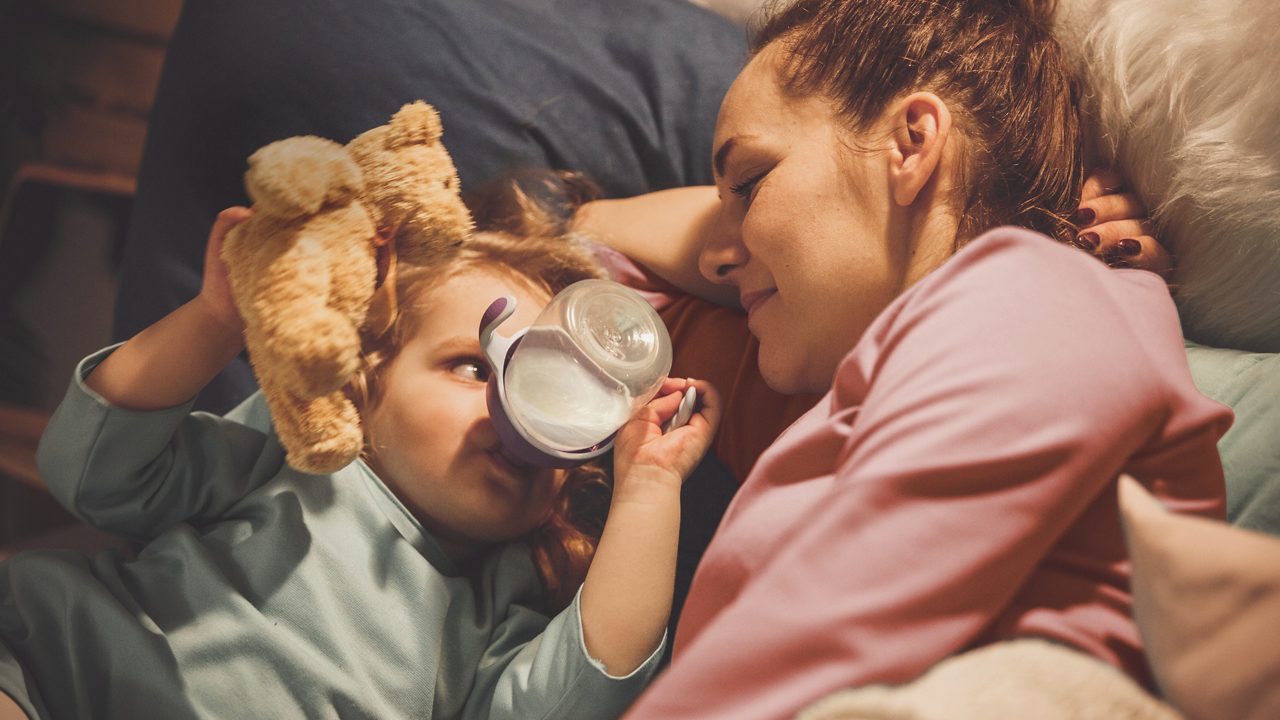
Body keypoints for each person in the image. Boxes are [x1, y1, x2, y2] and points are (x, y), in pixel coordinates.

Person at [573, 0, 1232, 717]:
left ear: (913, 142)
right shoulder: (850, 384)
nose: (714, 254)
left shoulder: (1041, 296)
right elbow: (599, 273)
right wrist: (585, 221)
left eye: (750, 182)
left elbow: (814, 655)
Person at [0, 204, 720, 720]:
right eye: (475, 368)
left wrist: (649, 487)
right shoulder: (298, 460)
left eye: (563, 401)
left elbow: (583, 695)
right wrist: (217, 322)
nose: (516, 408)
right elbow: (87, 469)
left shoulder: (503, 605)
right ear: (363, 385)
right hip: (51, 676)